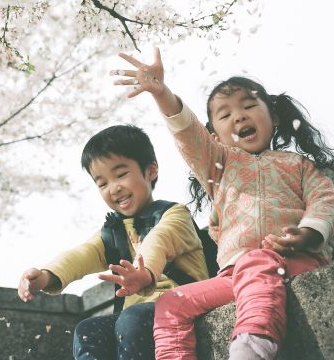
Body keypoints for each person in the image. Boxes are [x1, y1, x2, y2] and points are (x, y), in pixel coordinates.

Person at [110, 47, 334, 360]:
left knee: (257, 262)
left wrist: (310, 233)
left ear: (274, 115)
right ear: (214, 136)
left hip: (291, 262)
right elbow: (188, 134)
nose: (239, 115)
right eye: (225, 114)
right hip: (233, 275)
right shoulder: (219, 166)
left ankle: (253, 345)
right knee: (171, 302)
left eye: (249, 106)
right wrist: (162, 94)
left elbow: (324, 199)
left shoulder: (297, 165)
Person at [17, 124, 209, 360]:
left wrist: (144, 270)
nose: (114, 188)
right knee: (87, 330)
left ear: (150, 171)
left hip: (184, 304)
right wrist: (47, 275)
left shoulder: (175, 214)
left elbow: (160, 240)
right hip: (135, 317)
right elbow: (83, 254)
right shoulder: (113, 230)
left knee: (132, 319)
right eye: (102, 183)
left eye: (121, 175)